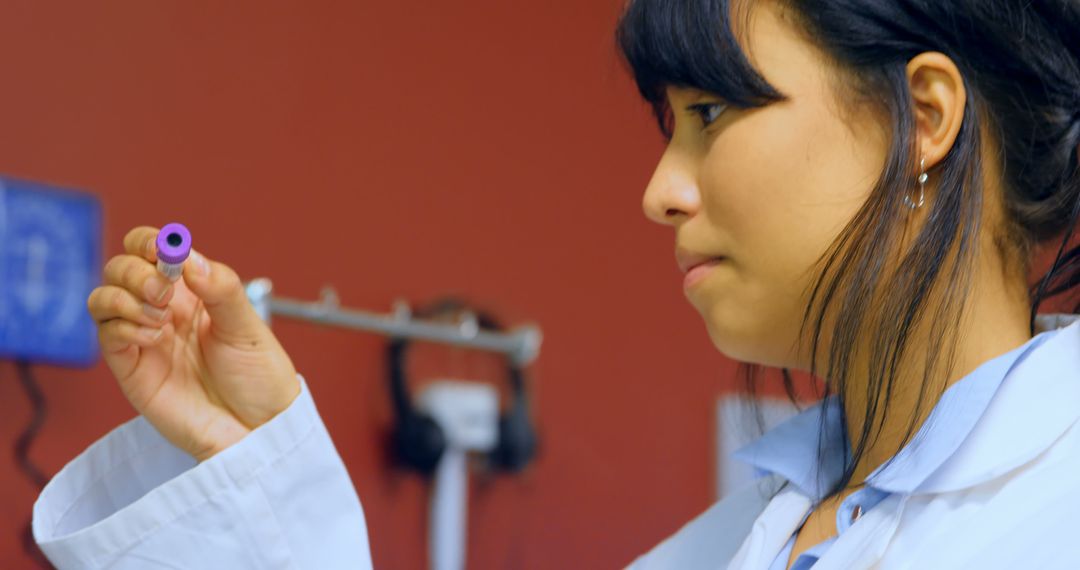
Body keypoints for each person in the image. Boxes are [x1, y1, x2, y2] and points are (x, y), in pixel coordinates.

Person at [32, 0, 1080, 568]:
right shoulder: (747, 538)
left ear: (926, 116)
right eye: (669, 127)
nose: (661, 191)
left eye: (711, 113)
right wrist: (249, 464)